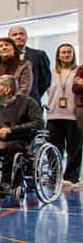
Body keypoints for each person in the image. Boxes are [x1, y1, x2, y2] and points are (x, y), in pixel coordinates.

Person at [46, 44, 81, 190]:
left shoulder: (78, 72)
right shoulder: (51, 73)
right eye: (63, 53)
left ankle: (71, 177)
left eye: (69, 52)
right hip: (53, 115)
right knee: (53, 148)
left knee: (74, 149)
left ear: (73, 55)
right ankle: (54, 176)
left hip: (73, 115)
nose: (66, 55)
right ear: (58, 55)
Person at [9, 25, 51, 100]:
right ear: (9, 39)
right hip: (9, 101)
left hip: (31, 99)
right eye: (14, 35)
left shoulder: (38, 55)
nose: (18, 37)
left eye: (21, 34)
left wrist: (35, 93)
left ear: (26, 37)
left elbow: (46, 80)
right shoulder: (1, 57)